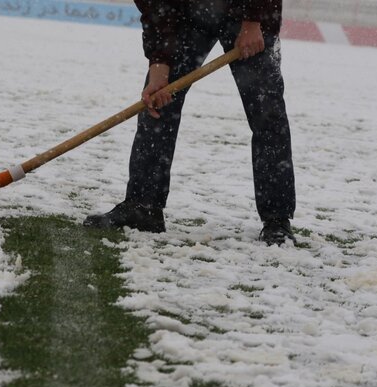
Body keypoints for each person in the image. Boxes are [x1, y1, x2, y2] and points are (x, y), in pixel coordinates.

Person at [83, 0, 296, 245]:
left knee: (267, 114)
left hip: (247, 11)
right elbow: (157, 7)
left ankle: (277, 220)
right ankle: (144, 206)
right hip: (189, 11)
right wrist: (159, 64)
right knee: (158, 102)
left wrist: (252, 21)